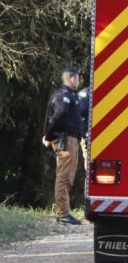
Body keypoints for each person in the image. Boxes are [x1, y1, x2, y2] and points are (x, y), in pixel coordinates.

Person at [42, 67, 83, 225]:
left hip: (72, 140)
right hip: (66, 140)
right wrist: (49, 135)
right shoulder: (62, 96)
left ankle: (64, 211)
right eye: (78, 79)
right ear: (72, 79)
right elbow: (58, 116)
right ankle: (63, 214)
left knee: (68, 177)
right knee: (64, 177)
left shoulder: (71, 95)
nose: (78, 82)